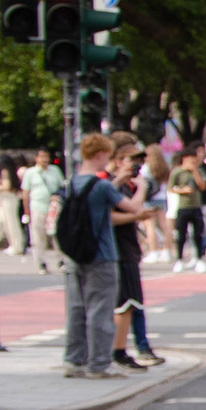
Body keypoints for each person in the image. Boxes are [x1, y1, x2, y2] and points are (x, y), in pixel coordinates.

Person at [60, 133, 122, 380]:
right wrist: (139, 189)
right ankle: (99, 364)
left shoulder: (70, 183)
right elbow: (130, 206)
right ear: (100, 155)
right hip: (101, 253)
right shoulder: (102, 185)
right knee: (100, 309)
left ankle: (74, 360)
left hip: (75, 253)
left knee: (76, 307)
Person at [108, 140, 163, 369]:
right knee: (126, 303)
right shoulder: (112, 186)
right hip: (118, 250)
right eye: (132, 161)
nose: (136, 167)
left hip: (128, 248)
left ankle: (139, 346)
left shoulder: (123, 186)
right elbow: (128, 210)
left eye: (139, 162)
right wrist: (140, 193)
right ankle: (119, 351)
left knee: (133, 303)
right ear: (118, 161)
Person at [168, 145, 206, 272]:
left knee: (198, 234)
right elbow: (170, 188)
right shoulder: (177, 172)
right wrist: (182, 190)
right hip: (183, 206)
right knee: (181, 235)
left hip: (196, 206)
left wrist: (195, 171)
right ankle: (179, 259)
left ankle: (199, 258)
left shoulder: (199, 171)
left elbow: (203, 186)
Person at [25, 148, 65, 274]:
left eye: (47, 156)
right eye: (42, 157)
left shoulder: (55, 170)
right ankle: (41, 262)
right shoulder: (30, 172)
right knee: (38, 237)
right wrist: (26, 211)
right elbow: (26, 192)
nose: (45, 159)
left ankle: (61, 261)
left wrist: (58, 196)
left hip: (54, 207)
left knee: (57, 235)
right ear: (36, 158)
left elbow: (62, 187)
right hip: (37, 207)